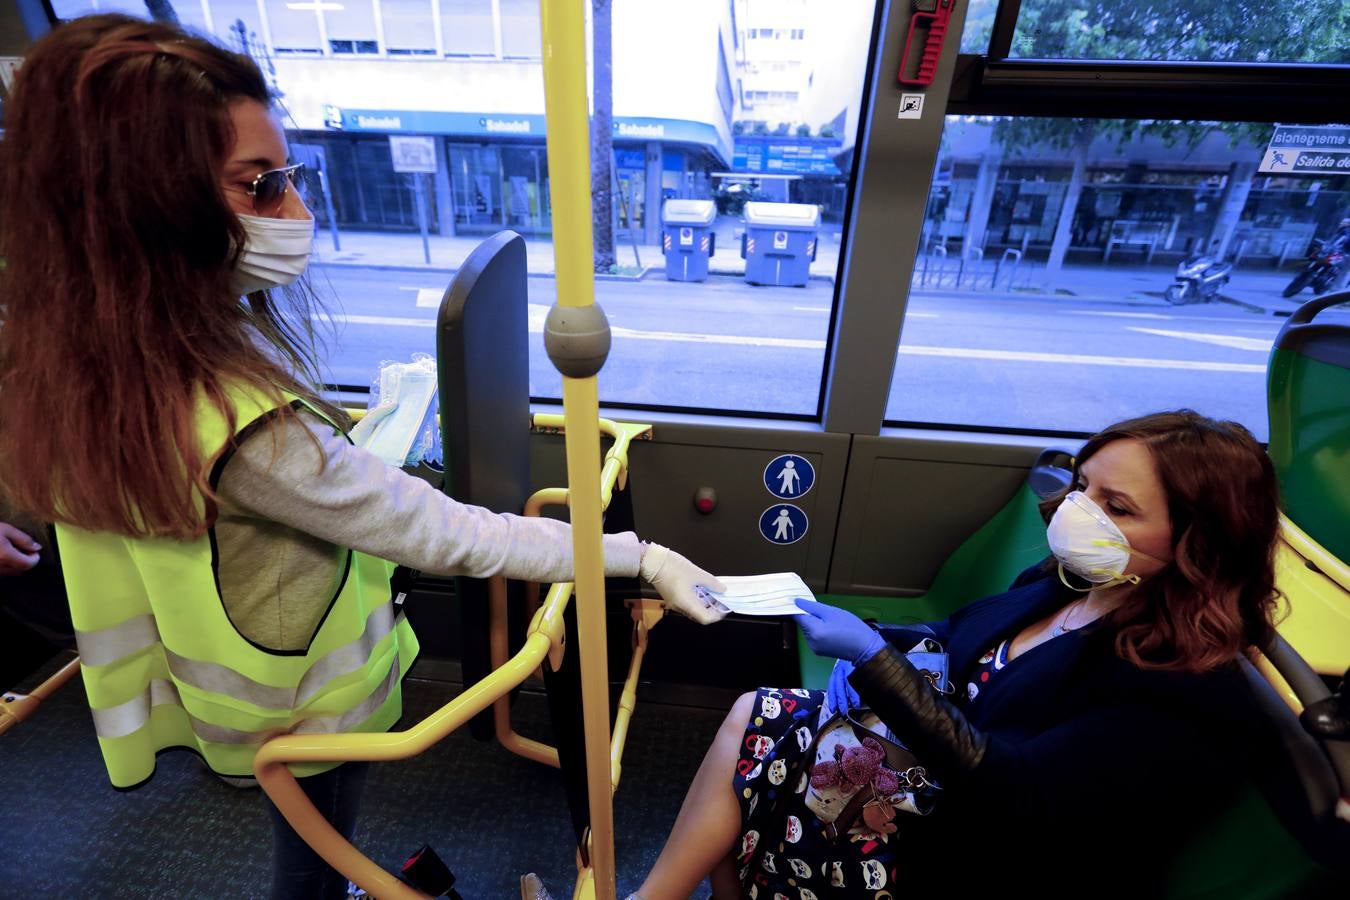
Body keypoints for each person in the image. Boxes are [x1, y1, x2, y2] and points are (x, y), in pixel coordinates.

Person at [0, 15, 725, 899]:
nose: (296, 214)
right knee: (315, 849)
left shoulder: (62, 358)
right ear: (146, 206)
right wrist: (636, 555)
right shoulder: (242, 426)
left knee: (308, 843)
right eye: (260, 186)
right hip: (306, 704)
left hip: (206, 690)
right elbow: (446, 532)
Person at [524, 410, 1285, 900]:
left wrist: (877, 666)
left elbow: (1013, 793)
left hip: (974, 853)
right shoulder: (1071, 583)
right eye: (1083, 488)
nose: (1078, 513)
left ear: (1199, 544)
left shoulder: (1184, 689)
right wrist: (876, 642)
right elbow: (958, 642)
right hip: (938, 780)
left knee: (773, 764)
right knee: (762, 718)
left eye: (1116, 508)